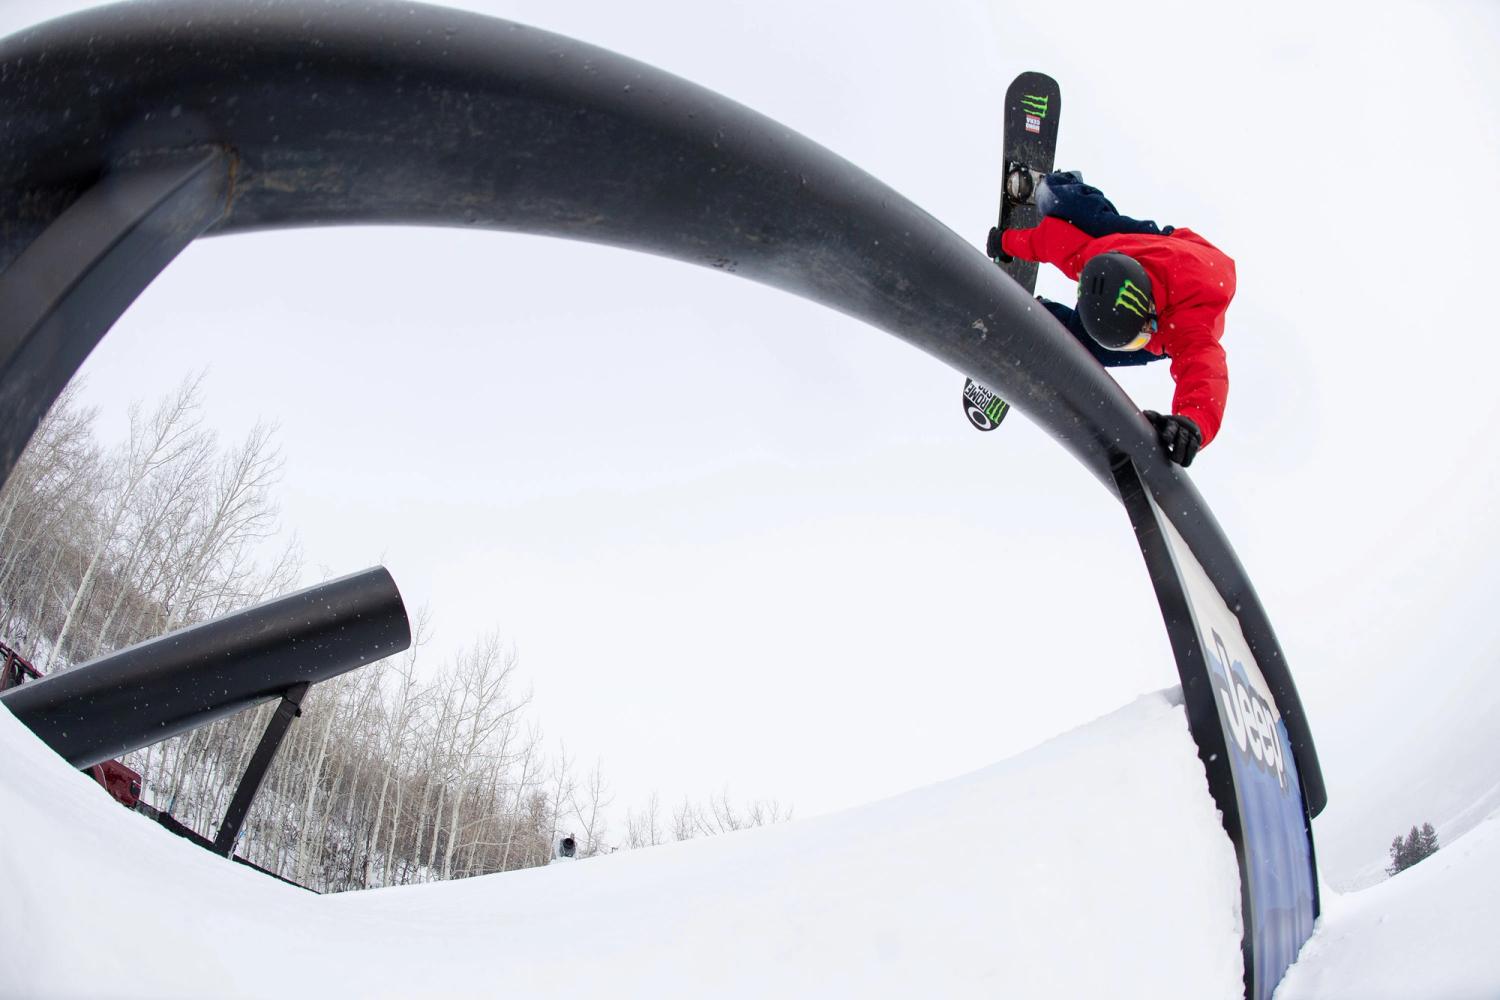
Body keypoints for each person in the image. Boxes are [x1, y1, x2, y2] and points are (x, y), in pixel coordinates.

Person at [990, 171, 1235, 467]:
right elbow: (1046, 239)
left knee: (1089, 349)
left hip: (1180, 259)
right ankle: (1054, 188)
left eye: (1139, 339)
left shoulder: (1188, 328)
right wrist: (1005, 242)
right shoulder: (1092, 253)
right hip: (1143, 258)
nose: (1140, 343)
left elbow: (1206, 371)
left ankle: (1044, 311)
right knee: (1057, 205)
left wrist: (1192, 423)